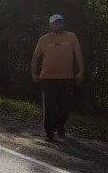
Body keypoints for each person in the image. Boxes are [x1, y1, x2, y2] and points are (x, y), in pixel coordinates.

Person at [31, 14, 84, 142]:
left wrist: (81, 72)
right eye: (55, 23)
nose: (57, 25)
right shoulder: (44, 39)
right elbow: (35, 57)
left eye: (59, 22)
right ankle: (49, 132)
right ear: (50, 25)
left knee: (65, 106)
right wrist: (34, 73)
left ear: (63, 24)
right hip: (47, 78)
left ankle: (61, 126)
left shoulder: (71, 37)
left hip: (67, 78)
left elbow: (78, 55)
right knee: (50, 106)